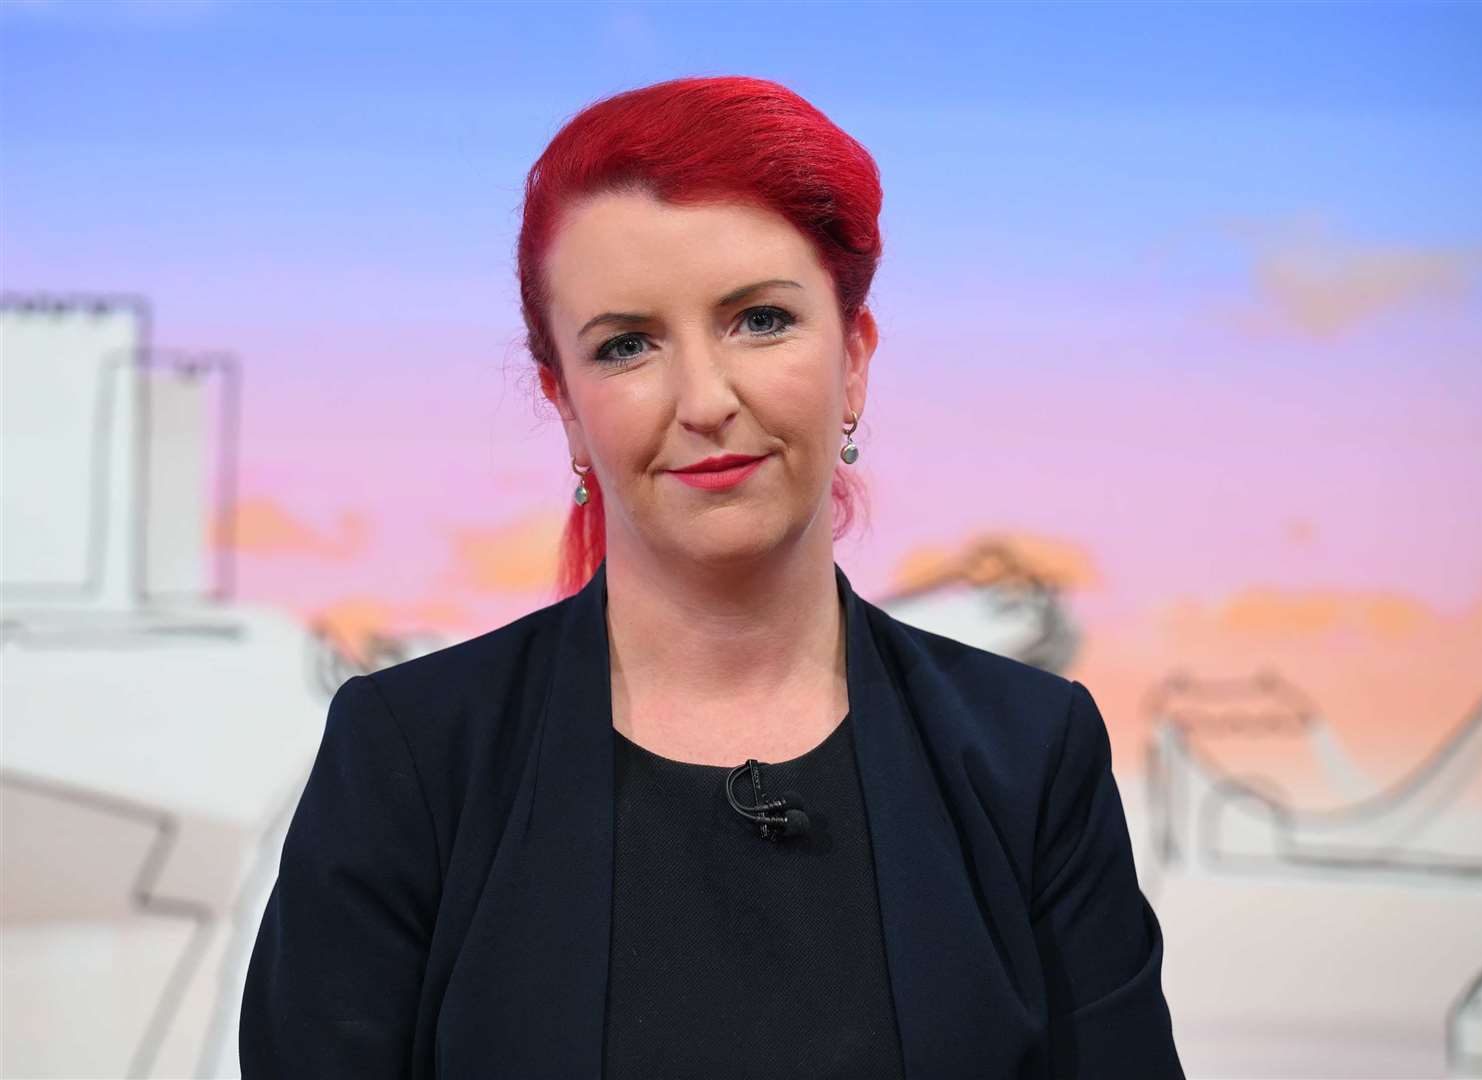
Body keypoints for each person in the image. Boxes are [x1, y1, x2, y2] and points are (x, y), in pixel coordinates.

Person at [240, 75, 1184, 1080]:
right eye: (627, 345)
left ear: (854, 360)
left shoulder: (1030, 756)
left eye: (760, 320)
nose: (703, 400)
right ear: (564, 405)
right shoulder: (410, 760)